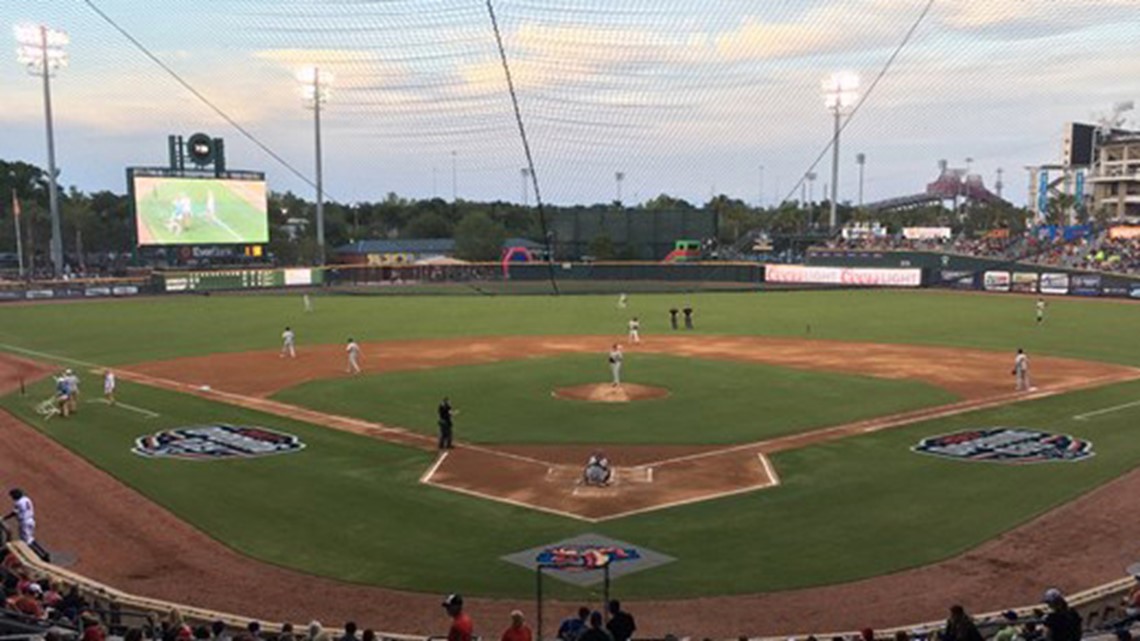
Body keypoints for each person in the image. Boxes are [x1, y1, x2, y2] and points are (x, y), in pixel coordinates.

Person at [4, 488, 49, 561]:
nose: (12, 497)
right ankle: (44, 554)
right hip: (31, 520)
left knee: (26, 541)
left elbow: (14, 513)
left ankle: (41, 555)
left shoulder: (18, 503)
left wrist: (5, 518)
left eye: (12, 496)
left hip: (24, 523)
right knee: (30, 538)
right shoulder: (26, 499)